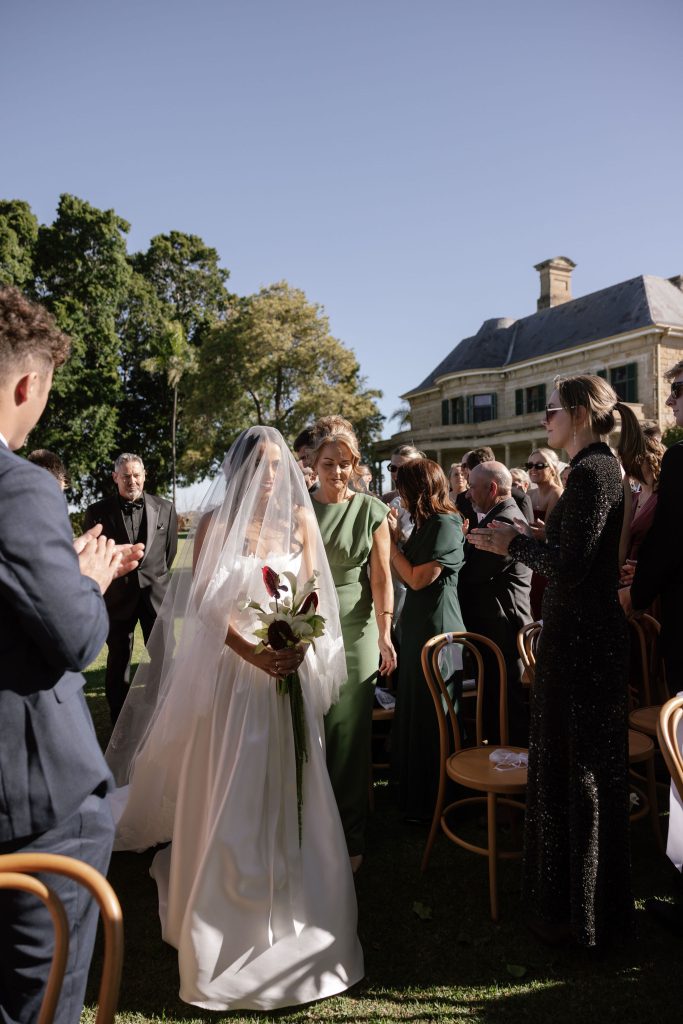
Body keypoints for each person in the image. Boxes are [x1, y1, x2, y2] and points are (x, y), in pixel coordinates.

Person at [106, 426, 363, 1011]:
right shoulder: (218, 525)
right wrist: (256, 654)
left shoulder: (299, 522)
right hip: (236, 678)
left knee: (294, 784)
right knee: (236, 784)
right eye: (263, 466)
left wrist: (297, 646)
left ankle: (304, 908)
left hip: (287, 672)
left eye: (279, 466)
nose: (273, 476)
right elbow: (202, 604)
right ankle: (224, 912)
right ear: (241, 470)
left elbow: (312, 591)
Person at [0, 286, 142, 1024]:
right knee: (41, 1006)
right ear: (28, 385)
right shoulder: (16, 489)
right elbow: (77, 638)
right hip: (31, 810)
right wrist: (86, 579)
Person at [468, 374, 645, 948]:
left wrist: (511, 544)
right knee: (576, 766)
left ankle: (582, 914)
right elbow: (581, 556)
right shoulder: (594, 471)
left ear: (577, 414)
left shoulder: (593, 470)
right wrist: (533, 535)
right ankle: (575, 906)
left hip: (583, 642)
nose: (544, 421)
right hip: (582, 635)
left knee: (581, 770)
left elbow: (569, 566)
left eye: (549, 412)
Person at [310, 416, 396, 869]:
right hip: (310, 628)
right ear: (314, 464)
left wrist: (385, 632)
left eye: (345, 464)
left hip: (359, 630)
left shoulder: (372, 510)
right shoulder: (301, 510)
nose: (338, 472)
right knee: (312, 730)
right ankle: (309, 825)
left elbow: (382, 577)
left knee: (349, 735)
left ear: (355, 465)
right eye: (329, 463)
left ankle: (350, 833)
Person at [389, 459, 465, 822]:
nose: (399, 495)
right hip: (419, 625)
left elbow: (419, 578)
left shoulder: (446, 523)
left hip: (439, 629)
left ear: (417, 489)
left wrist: (390, 546)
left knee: (437, 711)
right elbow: (413, 558)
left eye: (402, 487)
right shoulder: (424, 525)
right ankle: (414, 795)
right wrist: (400, 539)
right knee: (417, 709)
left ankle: (440, 797)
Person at [84, 453, 178, 724]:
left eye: (136, 475)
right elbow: (94, 556)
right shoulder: (97, 512)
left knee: (163, 658)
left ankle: (160, 714)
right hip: (116, 599)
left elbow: (168, 555)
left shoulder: (166, 508)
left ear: (144, 475)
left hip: (156, 597)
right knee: (118, 662)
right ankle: (119, 721)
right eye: (125, 476)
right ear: (115, 478)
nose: (132, 480)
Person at [458, 462, 532, 746]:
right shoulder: (494, 517)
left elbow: (472, 572)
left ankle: (512, 768)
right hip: (490, 625)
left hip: (501, 625)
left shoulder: (504, 523)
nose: (466, 494)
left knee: (505, 702)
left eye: (472, 487)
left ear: (491, 488)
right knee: (492, 697)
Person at [624, 360, 683, 694]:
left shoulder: (679, 459)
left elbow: (669, 543)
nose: (668, 401)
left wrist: (636, 591)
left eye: (677, 390)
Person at [525, 447, 564, 618]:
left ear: (553, 469)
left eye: (539, 465)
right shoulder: (530, 494)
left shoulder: (557, 493)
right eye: (530, 465)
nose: (533, 469)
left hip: (545, 562)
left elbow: (547, 532)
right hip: (529, 559)